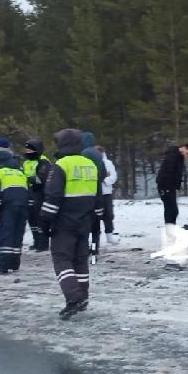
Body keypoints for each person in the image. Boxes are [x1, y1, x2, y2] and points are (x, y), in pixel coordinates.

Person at [38, 129, 104, 320]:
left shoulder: (61, 165)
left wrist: (43, 222)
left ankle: (73, 298)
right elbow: (98, 195)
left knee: (61, 258)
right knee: (80, 260)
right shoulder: (90, 164)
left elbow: (53, 197)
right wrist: (96, 220)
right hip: (85, 221)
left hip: (64, 222)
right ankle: (82, 297)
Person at [0, 151, 29, 275]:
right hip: (23, 207)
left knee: (6, 235)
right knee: (17, 235)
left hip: (8, 207)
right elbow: (29, 193)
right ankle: (15, 263)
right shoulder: (21, 174)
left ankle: (3, 266)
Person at [157, 142, 188, 243]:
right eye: (187, 153)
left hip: (171, 187)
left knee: (172, 210)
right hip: (165, 186)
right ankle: (170, 234)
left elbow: (176, 173)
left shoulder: (178, 156)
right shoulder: (173, 155)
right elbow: (167, 172)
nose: (186, 156)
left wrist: (176, 185)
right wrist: (166, 188)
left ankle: (171, 232)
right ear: (184, 148)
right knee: (171, 210)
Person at [23, 139, 54, 252]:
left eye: (30, 149)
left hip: (41, 193)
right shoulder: (26, 162)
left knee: (40, 219)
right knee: (32, 219)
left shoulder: (43, 162)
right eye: (26, 149)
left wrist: (26, 179)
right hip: (29, 192)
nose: (27, 151)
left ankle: (43, 243)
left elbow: (41, 179)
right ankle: (36, 241)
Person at [92, 145, 119, 251]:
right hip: (95, 193)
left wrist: (104, 179)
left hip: (106, 192)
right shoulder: (92, 163)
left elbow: (113, 176)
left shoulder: (108, 163)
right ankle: (94, 237)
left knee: (108, 214)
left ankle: (109, 235)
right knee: (96, 215)